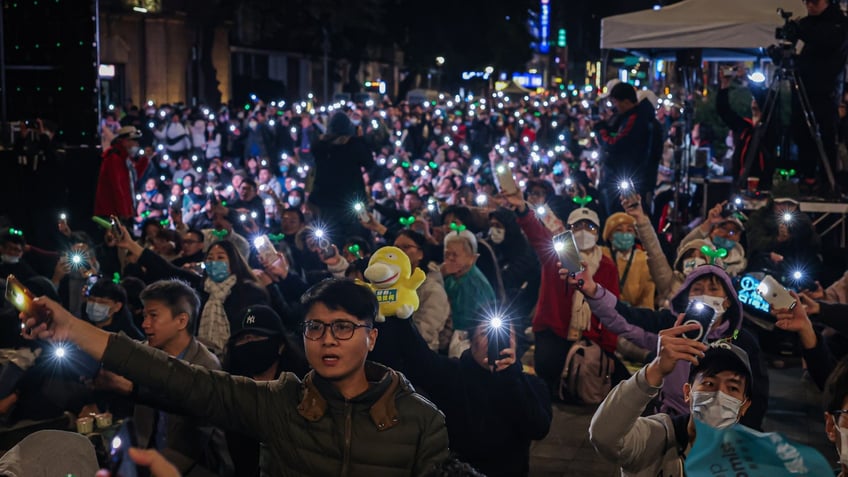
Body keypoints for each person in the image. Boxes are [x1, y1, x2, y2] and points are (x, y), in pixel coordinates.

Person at [22, 278, 450, 476]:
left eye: (343, 328)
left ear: (370, 338)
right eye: (315, 328)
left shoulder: (420, 421)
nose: (328, 340)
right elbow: (178, 379)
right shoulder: (281, 403)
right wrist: (73, 329)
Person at [563, 263, 769, 430]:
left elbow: (757, 395)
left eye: (713, 289)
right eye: (697, 289)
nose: (705, 294)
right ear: (686, 298)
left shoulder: (743, 341)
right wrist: (593, 291)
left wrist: (745, 434)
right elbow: (625, 319)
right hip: (669, 425)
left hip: (725, 432)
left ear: (728, 301)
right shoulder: (670, 329)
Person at [373, 311, 552, 477]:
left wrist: (510, 376)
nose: (493, 341)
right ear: (471, 340)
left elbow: (538, 427)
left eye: (506, 335)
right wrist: (400, 315)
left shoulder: (532, 385)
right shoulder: (452, 374)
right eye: (484, 334)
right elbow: (418, 357)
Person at [91, 280, 233, 477]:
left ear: (181, 321)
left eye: (153, 316)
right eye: (144, 315)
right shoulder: (144, 354)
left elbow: (192, 442)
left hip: (198, 466)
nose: (144, 323)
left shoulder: (206, 366)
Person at [590, 331, 753, 477]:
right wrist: (656, 370)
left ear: (744, 405)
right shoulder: (654, 438)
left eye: (732, 388)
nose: (719, 394)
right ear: (688, 392)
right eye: (709, 384)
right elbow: (604, 437)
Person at [223, 306, 308, 477]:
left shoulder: (303, 388)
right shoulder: (230, 389)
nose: (249, 344)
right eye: (243, 339)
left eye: (257, 337)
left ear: (280, 345)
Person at [794, 0, 848, 191]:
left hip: (825, 91)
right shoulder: (807, 24)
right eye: (806, 1)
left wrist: (800, 31)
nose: (809, 5)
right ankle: (807, 176)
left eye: (815, 1)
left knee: (825, 135)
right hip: (804, 88)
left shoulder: (838, 24)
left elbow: (828, 41)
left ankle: (827, 181)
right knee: (802, 132)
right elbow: (804, 55)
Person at [308, 112, 375, 243]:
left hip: (325, 201)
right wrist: (361, 138)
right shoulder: (354, 145)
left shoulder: (320, 145)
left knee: (331, 238)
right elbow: (369, 163)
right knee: (356, 238)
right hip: (350, 199)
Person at [594, 83, 655, 217]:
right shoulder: (626, 117)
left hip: (626, 177)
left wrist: (601, 131)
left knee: (620, 217)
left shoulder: (636, 119)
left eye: (616, 102)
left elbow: (615, 143)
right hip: (621, 175)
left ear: (626, 102)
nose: (615, 107)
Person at [393, 230, 451, 352]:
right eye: (396, 247)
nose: (399, 252)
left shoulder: (432, 289)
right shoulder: (392, 283)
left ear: (420, 253)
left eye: (406, 247)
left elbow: (425, 332)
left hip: (420, 355)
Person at [441, 229, 496, 357]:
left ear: (472, 258)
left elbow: (468, 325)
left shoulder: (475, 285)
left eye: (454, 255)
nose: (449, 259)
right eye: (446, 254)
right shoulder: (451, 275)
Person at [94, 126, 149, 221]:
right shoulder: (114, 158)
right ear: (124, 141)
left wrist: (145, 159)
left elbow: (132, 178)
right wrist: (124, 212)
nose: (137, 144)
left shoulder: (125, 159)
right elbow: (117, 187)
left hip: (120, 212)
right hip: (112, 213)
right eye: (134, 141)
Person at [679, 201, 747, 277]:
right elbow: (684, 248)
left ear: (739, 238)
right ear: (712, 231)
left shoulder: (741, 263)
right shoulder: (699, 250)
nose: (727, 234)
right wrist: (709, 222)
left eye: (733, 232)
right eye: (723, 228)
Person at [601, 212, 654, 309]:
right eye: (619, 230)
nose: (625, 234)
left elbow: (648, 294)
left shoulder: (643, 259)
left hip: (635, 314)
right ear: (609, 235)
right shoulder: (601, 255)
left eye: (629, 230)